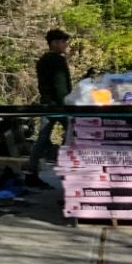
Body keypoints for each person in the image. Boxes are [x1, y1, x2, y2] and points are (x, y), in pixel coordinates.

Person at [30, 29, 73, 170]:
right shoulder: (58, 61)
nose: (65, 45)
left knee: (42, 138)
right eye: (63, 42)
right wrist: (67, 104)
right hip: (59, 106)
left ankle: (32, 170)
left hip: (47, 103)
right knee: (74, 132)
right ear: (54, 43)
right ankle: (67, 164)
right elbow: (60, 86)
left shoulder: (42, 60)